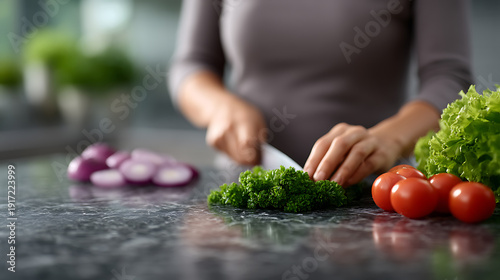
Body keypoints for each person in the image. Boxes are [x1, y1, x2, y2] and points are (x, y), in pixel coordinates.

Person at [168, 0, 472, 187]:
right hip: (244, 189)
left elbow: (448, 76)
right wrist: (220, 107)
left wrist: (389, 139)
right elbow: (192, 65)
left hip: (372, 194)